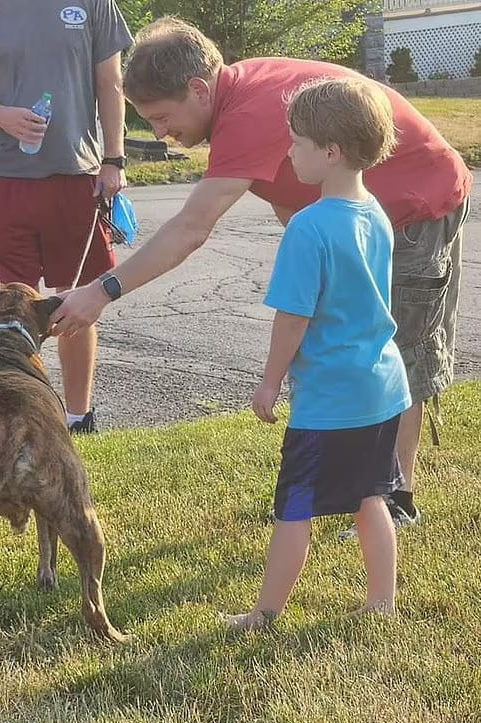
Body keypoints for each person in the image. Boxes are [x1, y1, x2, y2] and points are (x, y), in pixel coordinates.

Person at [50, 16, 471, 519]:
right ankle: (363, 486)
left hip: (417, 208)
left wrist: (101, 291)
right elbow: (292, 195)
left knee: (393, 351)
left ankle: (394, 498)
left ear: (198, 88)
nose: (161, 132)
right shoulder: (242, 93)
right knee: (354, 348)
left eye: (162, 116)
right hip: (368, 214)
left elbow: (191, 229)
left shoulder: (249, 112)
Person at [224, 77, 411, 628]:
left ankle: (265, 613)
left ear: (330, 152)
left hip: (330, 398)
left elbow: (293, 318)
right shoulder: (373, 211)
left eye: (296, 142)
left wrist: (268, 381)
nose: (289, 152)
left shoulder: (307, 228)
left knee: (295, 507)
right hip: (381, 387)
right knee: (371, 496)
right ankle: (382, 603)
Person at [0, 0, 133, 433]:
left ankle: (78, 417)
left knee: (75, 299)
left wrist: (114, 159)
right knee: (13, 304)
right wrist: (5, 117)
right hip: (9, 177)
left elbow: (111, 83)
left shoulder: (93, 4)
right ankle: (17, 413)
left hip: (77, 175)